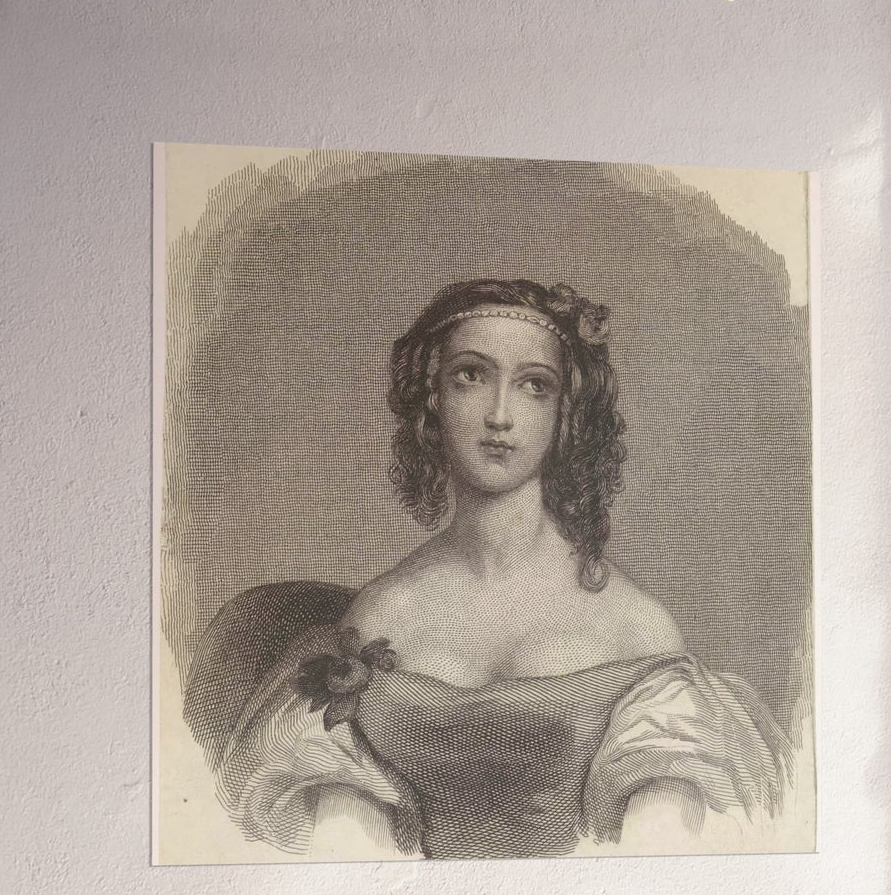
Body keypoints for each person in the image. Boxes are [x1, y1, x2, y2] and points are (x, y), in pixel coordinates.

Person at [183, 278, 792, 860]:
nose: (499, 414)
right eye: (471, 376)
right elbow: (342, 841)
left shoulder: (636, 628)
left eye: (534, 385)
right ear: (433, 397)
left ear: (567, 415)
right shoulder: (378, 617)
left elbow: (664, 860)